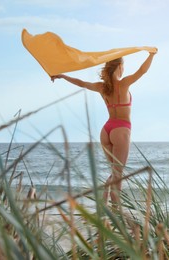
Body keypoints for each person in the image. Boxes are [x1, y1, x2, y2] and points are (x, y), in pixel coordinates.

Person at [51, 49, 157, 205]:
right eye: (123, 65)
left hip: (106, 131)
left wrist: (63, 76)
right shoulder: (124, 84)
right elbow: (142, 71)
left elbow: (82, 83)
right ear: (120, 66)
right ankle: (116, 213)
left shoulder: (102, 87)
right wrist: (151, 55)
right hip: (121, 129)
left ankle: (105, 200)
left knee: (115, 172)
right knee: (118, 175)